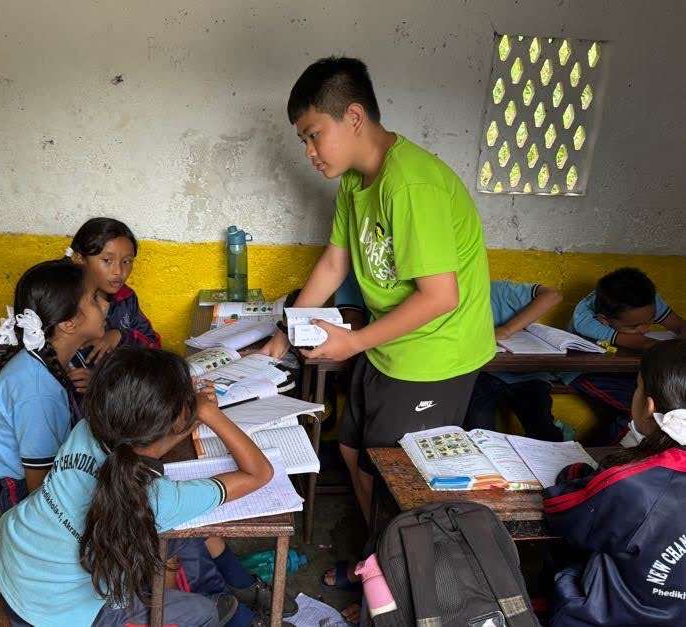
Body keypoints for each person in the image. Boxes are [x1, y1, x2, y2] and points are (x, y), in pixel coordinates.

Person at [261, 57, 495, 616]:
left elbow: (441, 296)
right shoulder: (354, 184)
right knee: (349, 446)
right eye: (304, 140)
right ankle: (383, 560)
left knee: (397, 481)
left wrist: (352, 344)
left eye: (314, 135)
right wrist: (280, 336)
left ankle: (400, 589)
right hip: (390, 346)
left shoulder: (409, 182)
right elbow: (334, 263)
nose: (310, 152)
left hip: (435, 353)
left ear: (355, 117)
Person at [0, 347, 277, 626]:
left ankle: (235, 585)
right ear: (172, 418)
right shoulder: (159, 498)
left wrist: (187, 415)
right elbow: (260, 473)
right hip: (54, 613)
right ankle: (238, 603)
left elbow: (146, 444)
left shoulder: (88, 430)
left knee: (172, 536)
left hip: (12, 558)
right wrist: (210, 414)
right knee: (204, 610)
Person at [543, 339, 686, 625]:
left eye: (637, 385)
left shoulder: (634, 481)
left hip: (615, 617)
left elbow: (559, 508)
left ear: (648, 406)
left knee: (559, 559)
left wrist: (575, 472)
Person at [0, 259, 107, 510]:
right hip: (26, 498)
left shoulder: (43, 359)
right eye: (94, 299)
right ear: (68, 324)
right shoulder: (37, 392)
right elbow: (42, 492)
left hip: (39, 479)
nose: (105, 305)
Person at [565, 267, 685, 444]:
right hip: (585, 372)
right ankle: (608, 455)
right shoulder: (586, 320)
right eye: (634, 327)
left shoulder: (645, 300)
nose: (645, 329)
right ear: (604, 321)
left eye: (650, 320)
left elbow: (681, 326)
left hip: (626, 368)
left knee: (657, 401)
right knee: (636, 411)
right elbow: (645, 344)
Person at [464, 280, 565, 441]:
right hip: (482, 375)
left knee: (544, 430)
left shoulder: (497, 291)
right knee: (480, 432)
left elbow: (553, 295)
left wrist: (506, 330)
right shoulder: (442, 301)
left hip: (526, 375)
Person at [67, 217, 161, 364]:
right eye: (107, 260)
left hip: (114, 382)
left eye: (127, 261)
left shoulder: (126, 298)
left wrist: (120, 336)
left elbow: (154, 346)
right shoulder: (63, 299)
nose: (119, 271)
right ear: (79, 258)